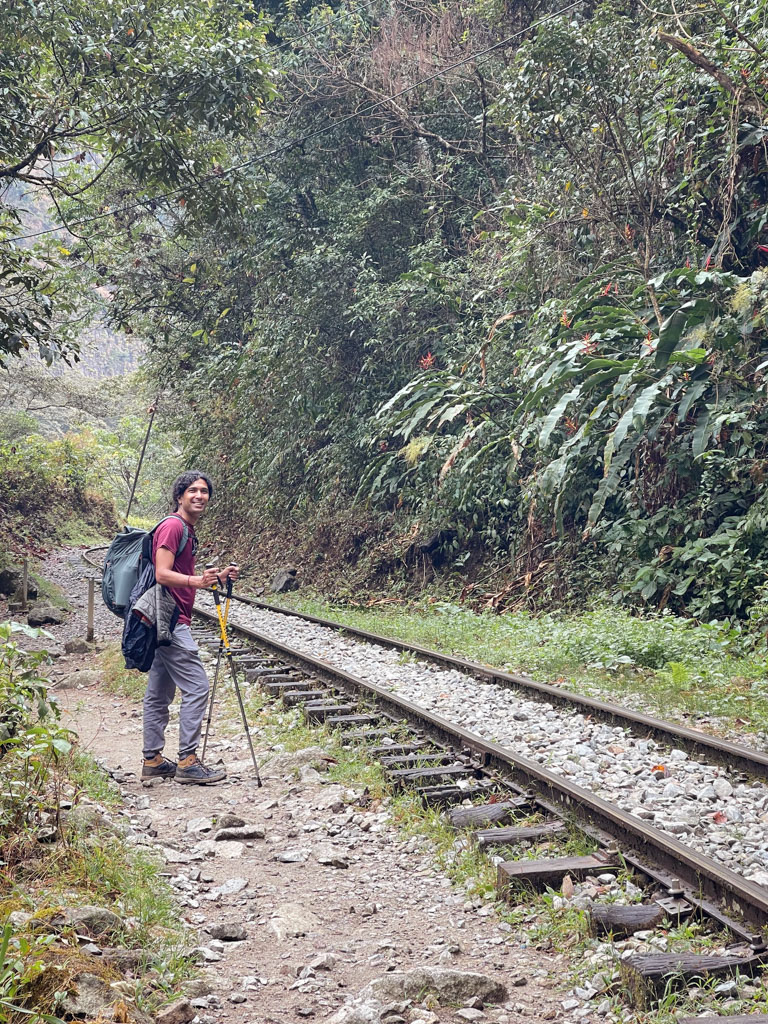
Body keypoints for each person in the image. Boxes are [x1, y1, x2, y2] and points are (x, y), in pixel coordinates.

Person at [141, 470, 237, 784]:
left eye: (204, 491)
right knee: (197, 687)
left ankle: (153, 760)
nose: (199, 495)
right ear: (180, 496)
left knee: (158, 693)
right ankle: (187, 761)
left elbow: (181, 574)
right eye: (193, 490)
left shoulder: (186, 529)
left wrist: (217, 577)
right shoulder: (173, 526)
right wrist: (196, 580)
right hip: (169, 621)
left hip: (160, 620)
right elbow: (162, 574)